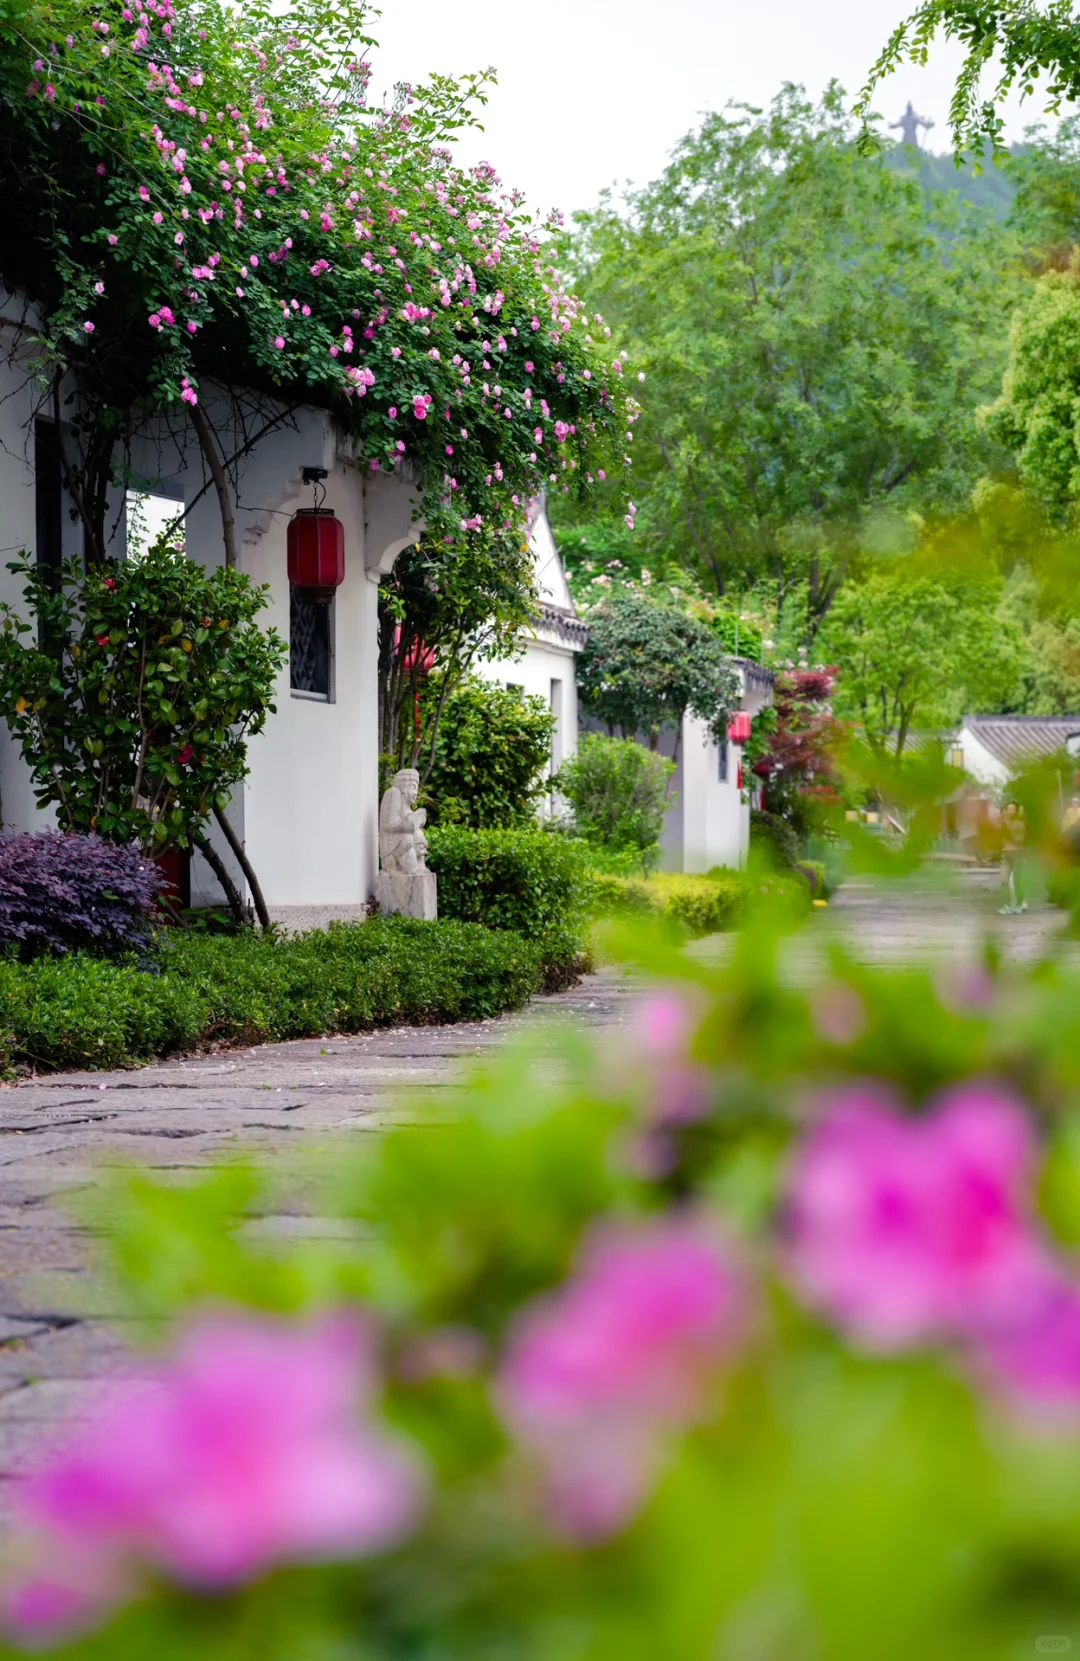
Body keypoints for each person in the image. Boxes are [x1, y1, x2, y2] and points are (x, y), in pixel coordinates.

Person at [999, 800, 1028, 915]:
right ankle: (1006, 905)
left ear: (1016, 812)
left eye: (1013, 809)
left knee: (1017, 880)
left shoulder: (1019, 824)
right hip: (1005, 854)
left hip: (1017, 853)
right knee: (1004, 880)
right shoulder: (1003, 824)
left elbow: (1020, 840)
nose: (1010, 811)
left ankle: (1020, 903)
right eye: (1009, 809)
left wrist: (1010, 835)